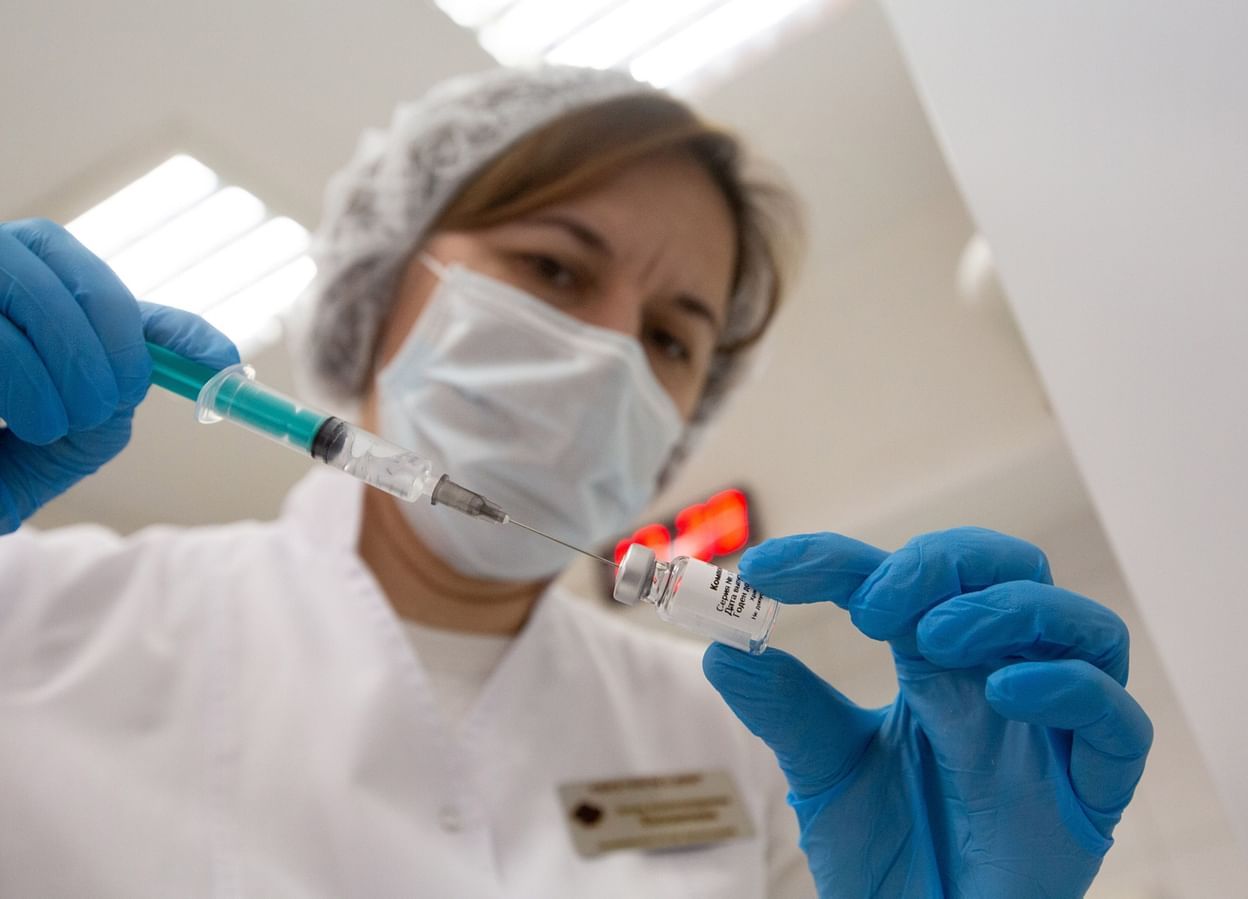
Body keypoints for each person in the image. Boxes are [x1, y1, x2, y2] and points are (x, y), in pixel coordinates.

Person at [0, 66, 1151, 897]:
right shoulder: (37, 620)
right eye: (553, 268)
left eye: (670, 337)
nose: (605, 358)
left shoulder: (748, 743)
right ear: (379, 289)